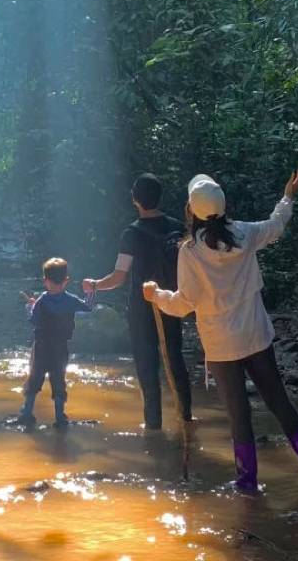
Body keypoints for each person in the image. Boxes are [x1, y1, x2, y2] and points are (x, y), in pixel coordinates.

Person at [142, 170, 298, 493]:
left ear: (190, 210)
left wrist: (155, 295)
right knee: (280, 403)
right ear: (224, 206)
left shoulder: (190, 252)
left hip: (221, 346)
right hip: (255, 336)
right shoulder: (243, 234)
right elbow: (276, 225)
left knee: (239, 417)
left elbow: (184, 304)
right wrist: (288, 196)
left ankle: (247, 484)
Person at [82, 173, 192, 431]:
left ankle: (153, 425)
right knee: (175, 359)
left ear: (135, 199)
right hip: (173, 302)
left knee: (147, 364)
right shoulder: (177, 227)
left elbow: (119, 277)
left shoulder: (131, 233)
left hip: (142, 309)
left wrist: (95, 284)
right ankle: (186, 419)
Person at [16, 257, 94, 428]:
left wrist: (29, 306)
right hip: (60, 348)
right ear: (66, 281)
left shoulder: (42, 301)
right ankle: (60, 417)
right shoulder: (71, 300)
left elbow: (33, 320)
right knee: (59, 381)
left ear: (45, 281)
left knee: (34, 379)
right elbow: (88, 307)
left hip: (42, 348)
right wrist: (91, 291)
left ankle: (26, 413)